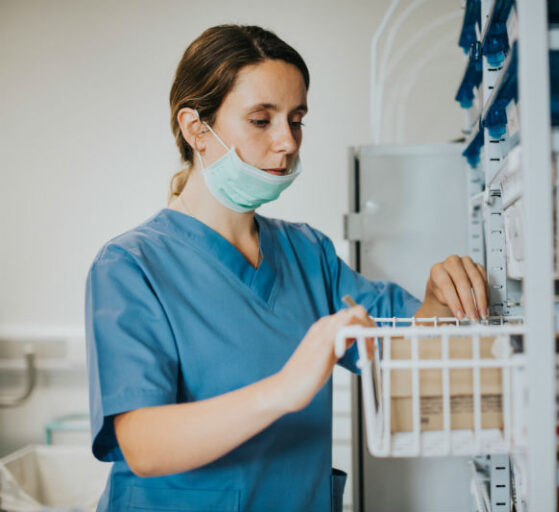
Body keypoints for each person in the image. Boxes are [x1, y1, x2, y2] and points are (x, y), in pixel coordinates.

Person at [85, 24, 488, 512]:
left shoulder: (308, 255)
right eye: (262, 120)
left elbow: (406, 349)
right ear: (196, 129)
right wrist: (285, 388)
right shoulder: (131, 266)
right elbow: (142, 445)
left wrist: (439, 303)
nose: (288, 142)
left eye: (296, 119)